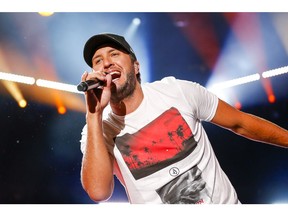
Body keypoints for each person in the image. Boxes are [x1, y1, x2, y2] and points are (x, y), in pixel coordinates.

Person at [79, 33, 288, 204]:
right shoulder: (96, 129)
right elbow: (99, 192)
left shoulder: (177, 91)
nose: (106, 63)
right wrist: (94, 114)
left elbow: (241, 123)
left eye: (114, 54)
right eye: (98, 61)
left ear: (136, 66)